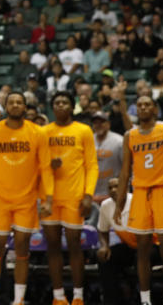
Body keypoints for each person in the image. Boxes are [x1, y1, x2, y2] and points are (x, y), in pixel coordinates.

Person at [0, 91, 53, 305]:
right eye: (12, 102)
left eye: (19, 102)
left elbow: (46, 168)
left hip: (26, 201)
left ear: (25, 107)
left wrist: (48, 199)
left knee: (22, 251)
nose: (15, 105)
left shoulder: (37, 132)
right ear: (5, 106)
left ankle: (18, 300)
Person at [115, 95, 163, 305]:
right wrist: (119, 202)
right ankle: (145, 300)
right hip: (140, 193)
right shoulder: (130, 135)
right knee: (142, 249)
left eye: (148, 104)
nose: (143, 107)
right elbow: (125, 172)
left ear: (155, 109)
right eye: (140, 105)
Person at [42, 92, 98, 305]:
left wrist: (88, 195)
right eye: (56, 102)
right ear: (52, 107)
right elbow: (37, 164)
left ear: (72, 107)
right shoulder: (43, 132)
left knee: (75, 245)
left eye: (65, 102)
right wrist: (49, 165)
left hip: (74, 196)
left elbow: (92, 165)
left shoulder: (83, 130)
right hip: (49, 198)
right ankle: (58, 297)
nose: (60, 105)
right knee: (53, 246)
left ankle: (78, 296)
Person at [97, 177, 136, 305]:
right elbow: (102, 230)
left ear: (126, 186)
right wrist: (104, 246)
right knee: (105, 258)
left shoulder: (136, 201)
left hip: (148, 245)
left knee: (143, 259)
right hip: (129, 246)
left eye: (117, 186)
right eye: (110, 188)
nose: (113, 190)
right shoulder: (105, 205)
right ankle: (112, 301)